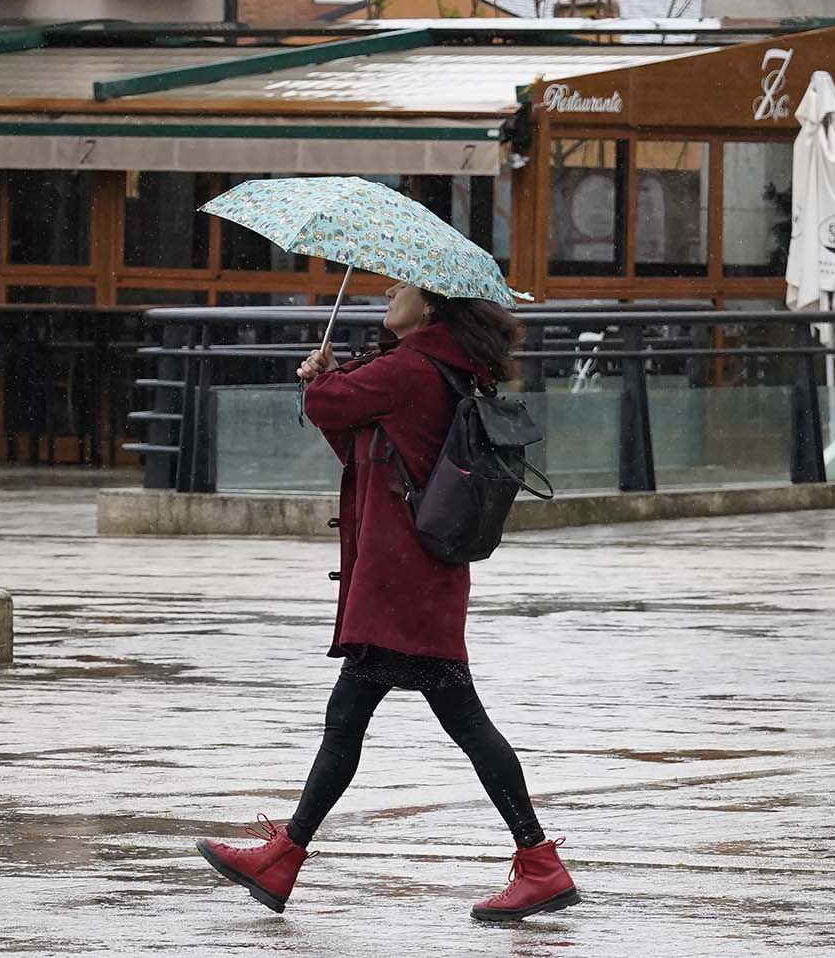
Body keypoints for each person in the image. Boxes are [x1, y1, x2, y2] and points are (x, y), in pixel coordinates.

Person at [194, 282, 580, 922]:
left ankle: (538, 862)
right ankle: (286, 857)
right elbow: (366, 447)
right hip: (417, 578)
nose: (386, 295)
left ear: (428, 306)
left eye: (399, 288)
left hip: (401, 583)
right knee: (365, 716)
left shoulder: (409, 368)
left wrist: (321, 377)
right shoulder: (446, 368)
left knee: (420, 719)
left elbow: (333, 404)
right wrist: (331, 387)